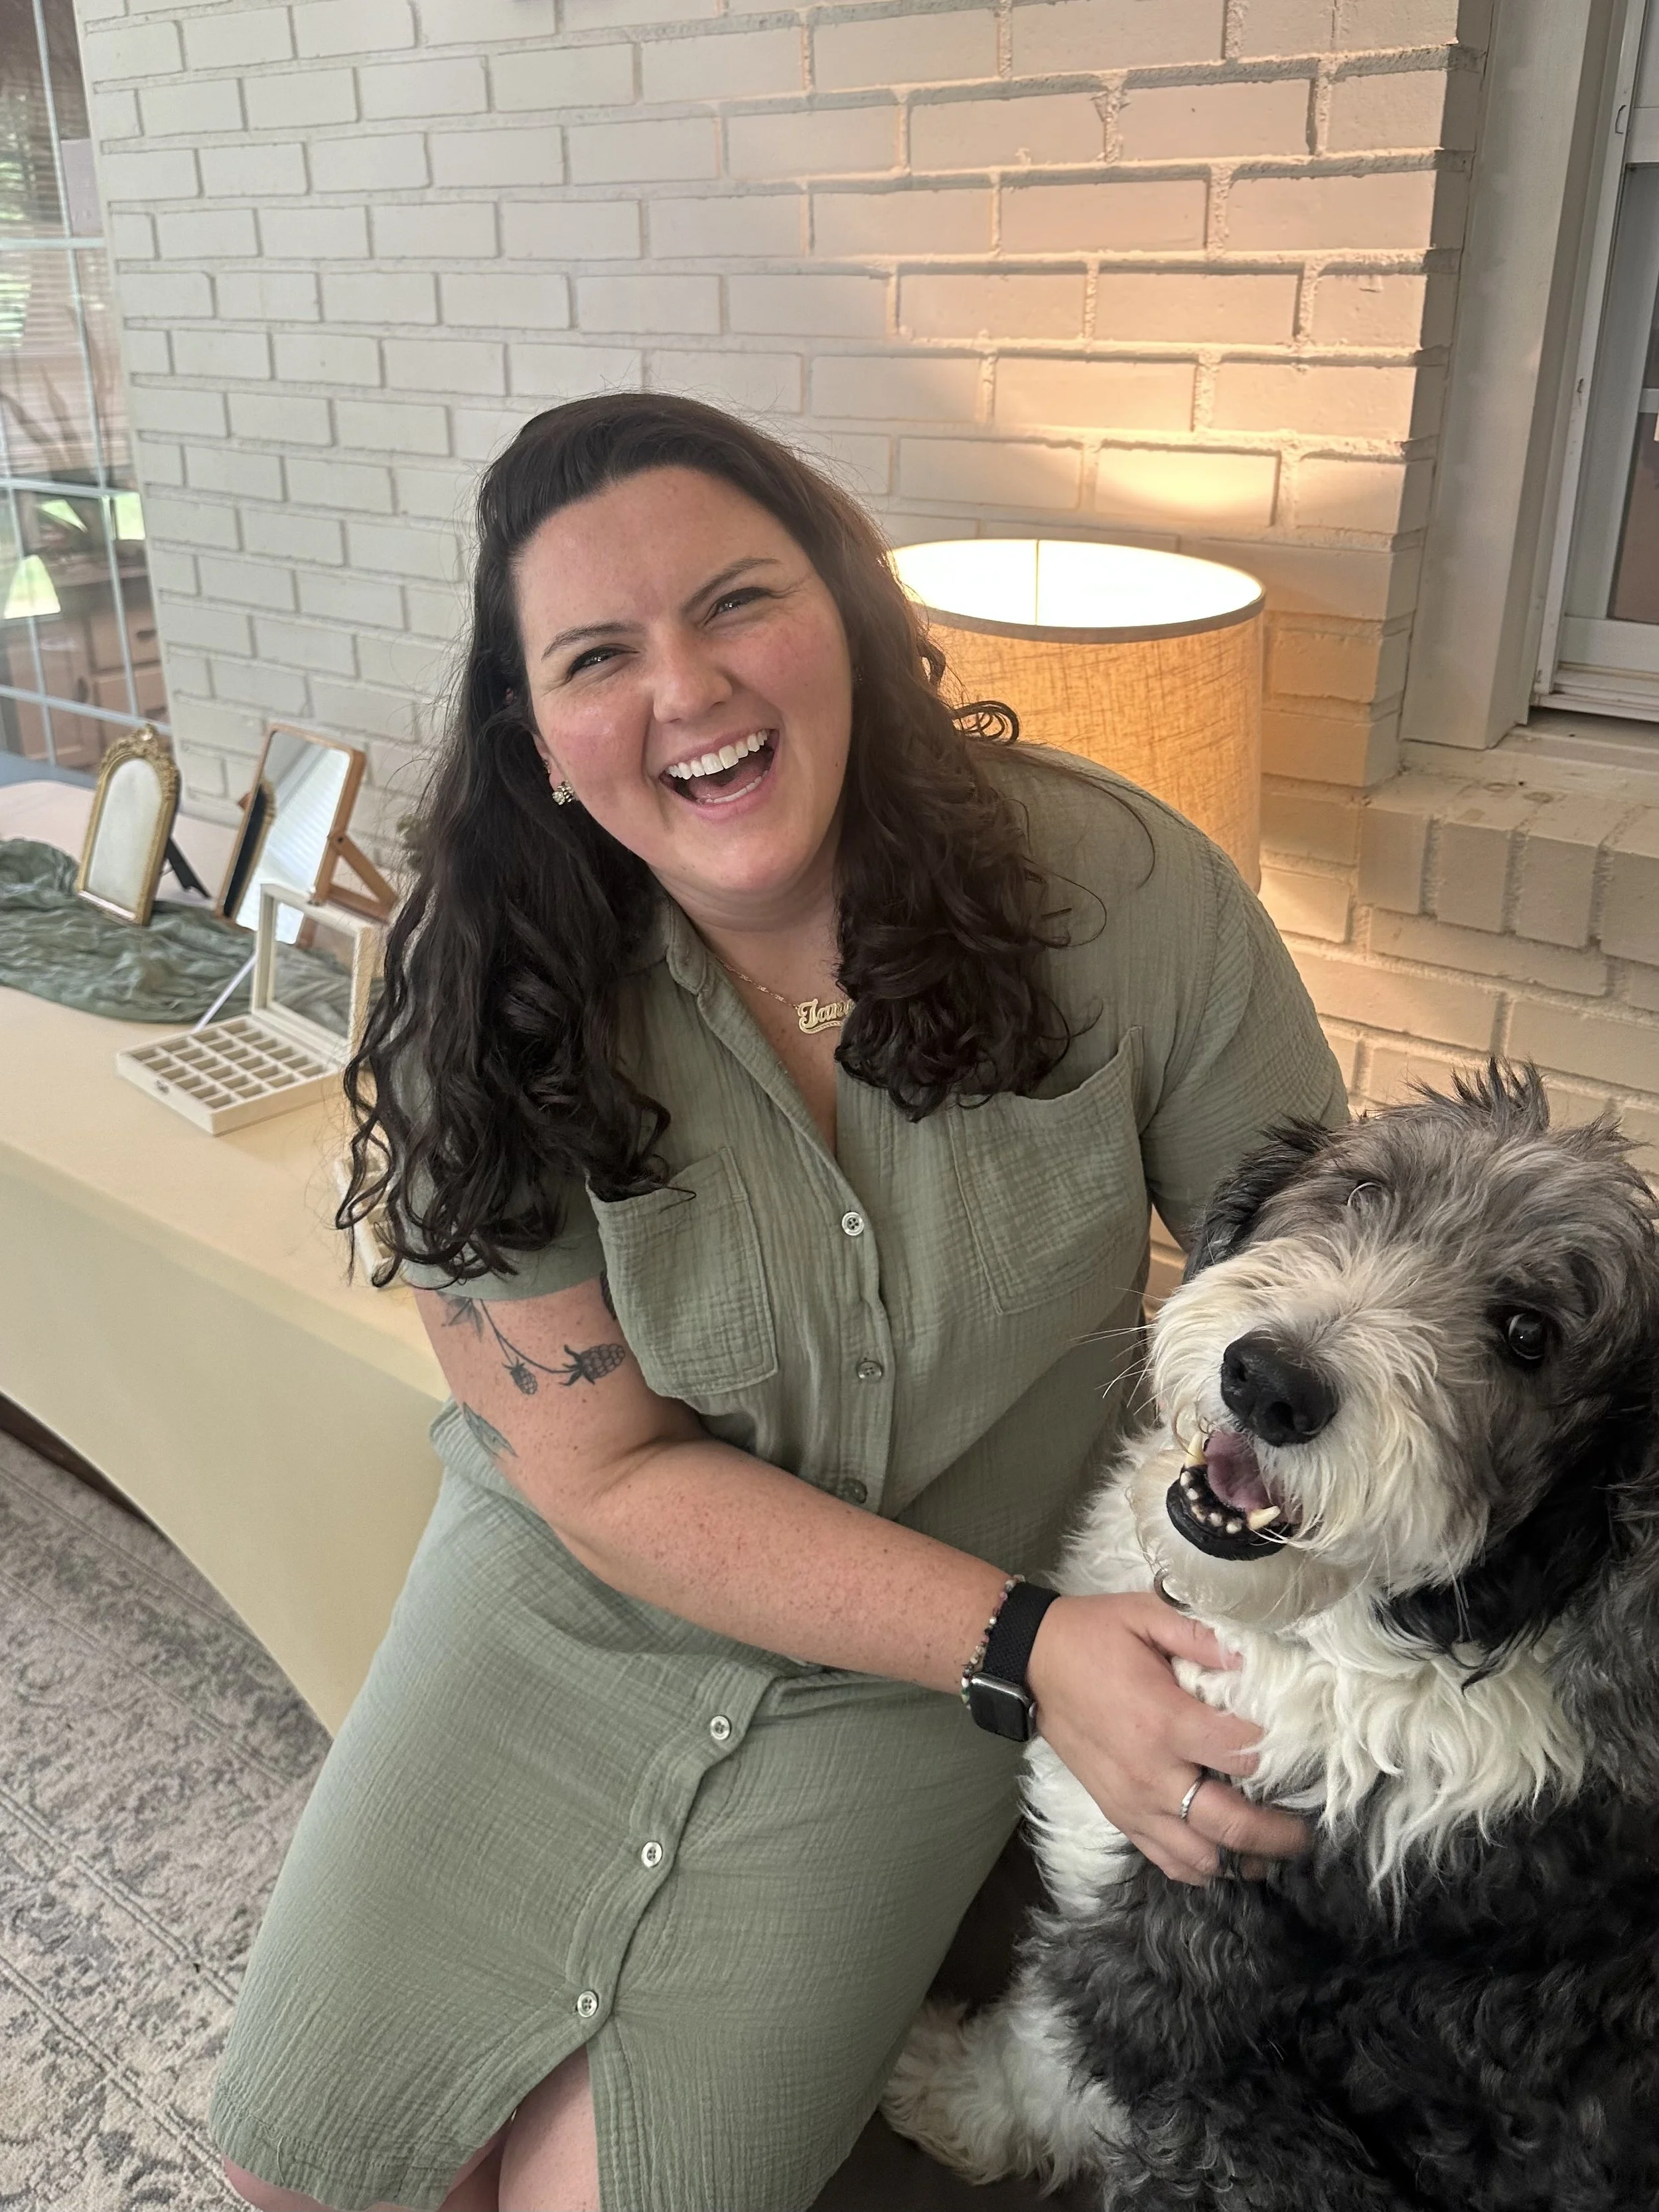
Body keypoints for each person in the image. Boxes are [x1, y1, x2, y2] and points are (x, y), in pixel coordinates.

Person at [210, 394, 1345, 2212]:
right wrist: (1032, 1650)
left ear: (847, 618)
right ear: (543, 741)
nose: (688, 690)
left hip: (920, 1678)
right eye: (599, 653)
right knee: (303, 2173)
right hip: (561, 1619)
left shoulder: (1125, 898)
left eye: (737, 602)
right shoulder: (476, 991)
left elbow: (1312, 1316)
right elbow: (593, 1474)